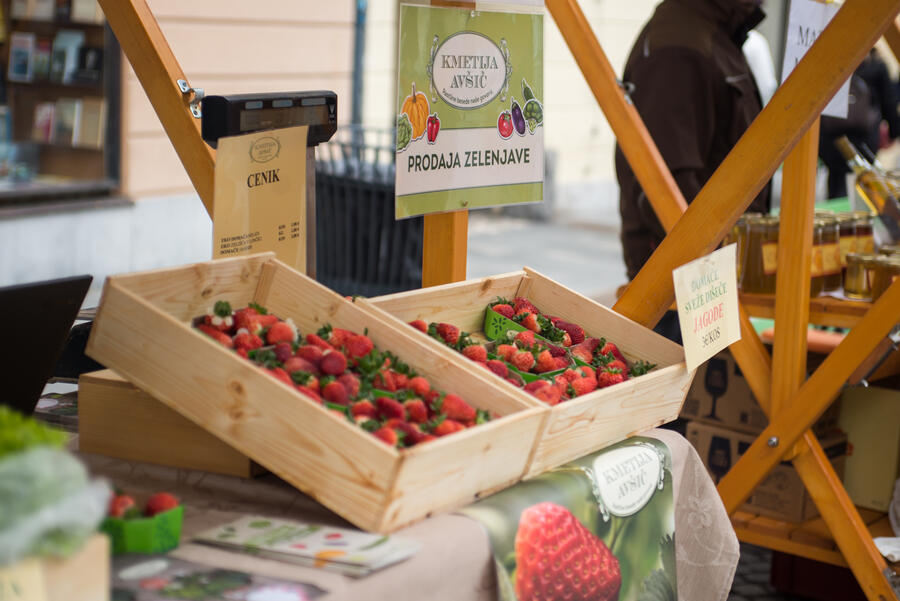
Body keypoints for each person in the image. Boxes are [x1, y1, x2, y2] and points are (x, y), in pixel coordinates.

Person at [614, 0, 772, 343]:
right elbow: (664, 182)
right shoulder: (680, 44)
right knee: (683, 393)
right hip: (682, 287)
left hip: (705, 275)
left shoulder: (712, 33)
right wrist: (710, 270)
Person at [819, 49, 900, 199]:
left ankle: (840, 216)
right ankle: (859, 217)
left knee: (836, 180)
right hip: (864, 138)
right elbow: (888, 102)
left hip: (832, 136)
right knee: (865, 180)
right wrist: (894, 132)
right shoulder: (876, 66)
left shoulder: (833, 62)